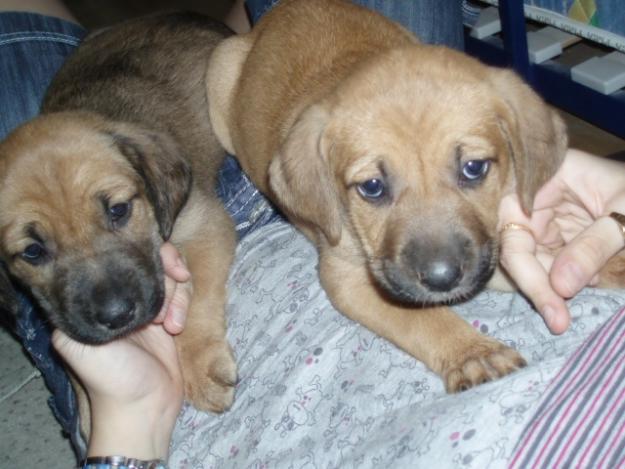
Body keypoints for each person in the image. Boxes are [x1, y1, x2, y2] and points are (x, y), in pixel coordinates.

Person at [1, 0, 624, 467]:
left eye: (472, 168)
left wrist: (126, 427)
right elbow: (345, 267)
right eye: (374, 189)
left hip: (226, 161)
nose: (440, 270)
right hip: (313, 121)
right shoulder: (331, 152)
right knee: (228, 63)